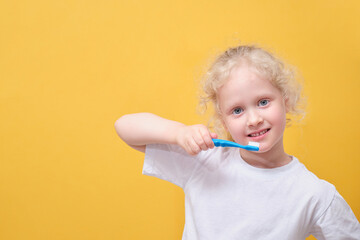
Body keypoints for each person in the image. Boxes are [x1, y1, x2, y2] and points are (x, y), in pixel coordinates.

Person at [114, 45, 360, 239]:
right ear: (223, 119)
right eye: (237, 110)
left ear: (286, 101)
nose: (253, 119)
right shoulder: (204, 161)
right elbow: (124, 127)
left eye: (263, 102)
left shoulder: (314, 194)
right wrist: (179, 133)